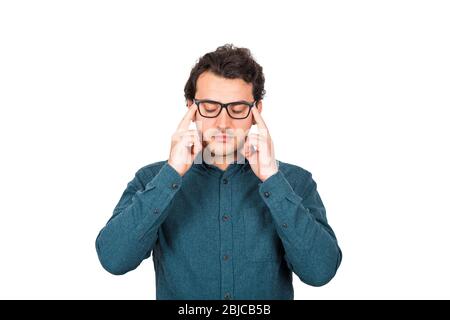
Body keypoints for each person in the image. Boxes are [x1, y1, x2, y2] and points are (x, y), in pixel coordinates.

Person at [95, 44, 342, 300]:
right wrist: (171, 173)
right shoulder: (151, 180)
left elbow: (320, 273)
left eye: (237, 109)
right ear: (190, 106)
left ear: (257, 110)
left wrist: (272, 180)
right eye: (210, 108)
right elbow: (114, 260)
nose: (223, 123)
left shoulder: (295, 182)